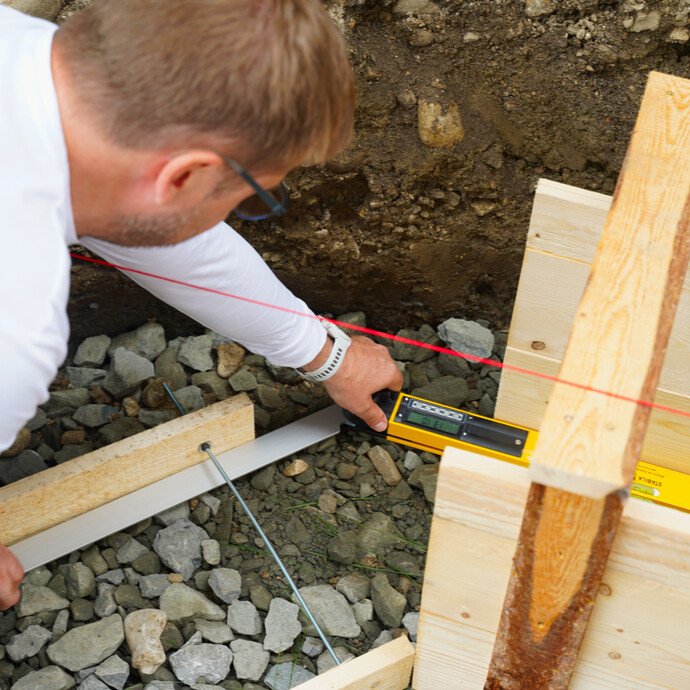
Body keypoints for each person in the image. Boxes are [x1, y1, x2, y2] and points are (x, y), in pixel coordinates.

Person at [0, 0, 402, 609]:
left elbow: (178, 239)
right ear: (183, 176)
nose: (235, 212)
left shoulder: (35, 64)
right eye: (249, 198)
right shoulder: (15, 321)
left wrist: (327, 356)